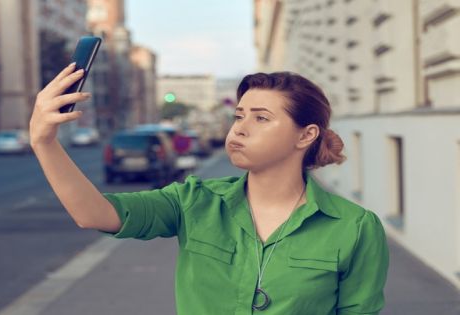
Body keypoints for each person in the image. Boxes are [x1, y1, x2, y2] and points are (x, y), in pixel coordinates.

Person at [29, 63, 390, 315]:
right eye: (239, 115)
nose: (240, 129)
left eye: (261, 118)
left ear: (306, 135)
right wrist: (44, 142)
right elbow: (95, 214)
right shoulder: (194, 201)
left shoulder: (355, 227)